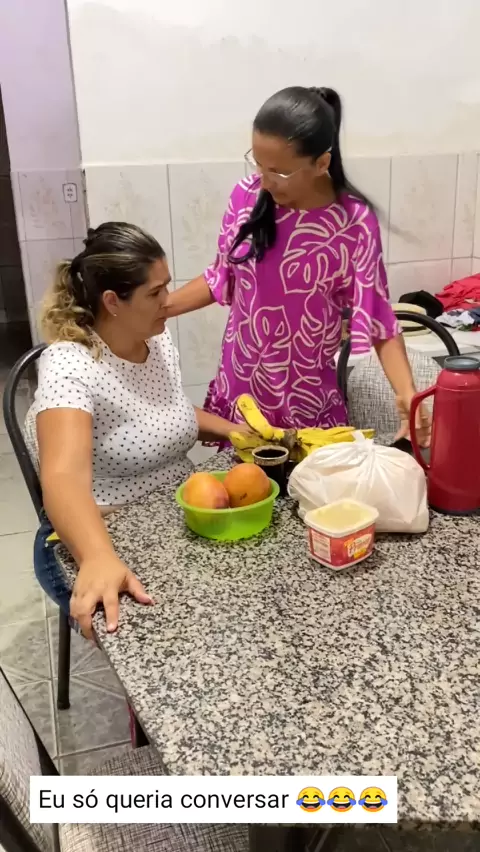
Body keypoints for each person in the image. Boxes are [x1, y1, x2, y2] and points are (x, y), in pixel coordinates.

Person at [166, 86, 429, 445]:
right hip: (242, 400)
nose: (264, 180)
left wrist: (407, 392)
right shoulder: (246, 196)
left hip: (309, 407)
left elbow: (378, 316)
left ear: (321, 163)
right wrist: (160, 309)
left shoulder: (353, 224)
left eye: (279, 172)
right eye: (258, 164)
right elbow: (220, 277)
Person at [25, 222, 247, 638]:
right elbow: (63, 477)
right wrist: (96, 557)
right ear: (113, 301)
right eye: (155, 292)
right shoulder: (69, 365)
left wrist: (236, 432)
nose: (169, 300)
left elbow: (163, 414)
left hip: (179, 517)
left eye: (167, 287)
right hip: (103, 532)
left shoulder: (156, 340)